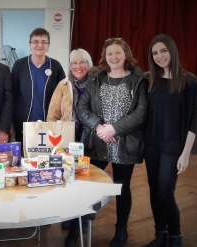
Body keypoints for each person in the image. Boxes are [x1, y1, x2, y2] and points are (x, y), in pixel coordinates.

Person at [77, 38, 148, 247]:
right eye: (109, 54)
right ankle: (81, 224)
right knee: (87, 184)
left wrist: (114, 128)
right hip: (97, 141)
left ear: (126, 54)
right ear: (104, 56)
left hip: (124, 143)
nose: (114, 57)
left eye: (117, 53)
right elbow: (82, 107)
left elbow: (141, 113)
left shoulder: (138, 80)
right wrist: (100, 127)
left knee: (122, 188)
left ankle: (121, 230)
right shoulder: (96, 79)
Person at [143, 34, 197, 247]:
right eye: (155, 53)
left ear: (172, 51)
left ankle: (175, 236)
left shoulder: (189, 81)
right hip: (151, 145)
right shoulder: (149, 79)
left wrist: (185, 154)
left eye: (163, 50)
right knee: (153, 190)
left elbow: (193, 122)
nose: (159, 56)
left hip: (172, 147)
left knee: (165, 192)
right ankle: (161, 234)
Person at [46, 48, 93, 246]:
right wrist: (53, 140)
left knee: (87, 182)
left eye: (82, 62)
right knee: (68, 180)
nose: (78, 66)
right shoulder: (63, 85)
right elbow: (52, 114)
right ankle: (72, 217)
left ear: (89, 65)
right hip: (68, 142)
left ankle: (79, 222)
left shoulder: (97, 84)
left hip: (92, 140)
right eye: (74, 63)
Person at [12, 27, 66, 145]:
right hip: (24, 123)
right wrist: (10, 122)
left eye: (44, 42)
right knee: (24, 158)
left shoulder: (55, 66)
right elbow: (12, 94)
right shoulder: (19, 65)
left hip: (49, 123)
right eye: (35, 41)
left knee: (47, 158)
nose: (39, 45)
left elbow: (64, 94)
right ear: (29, 45)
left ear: (48, 45)